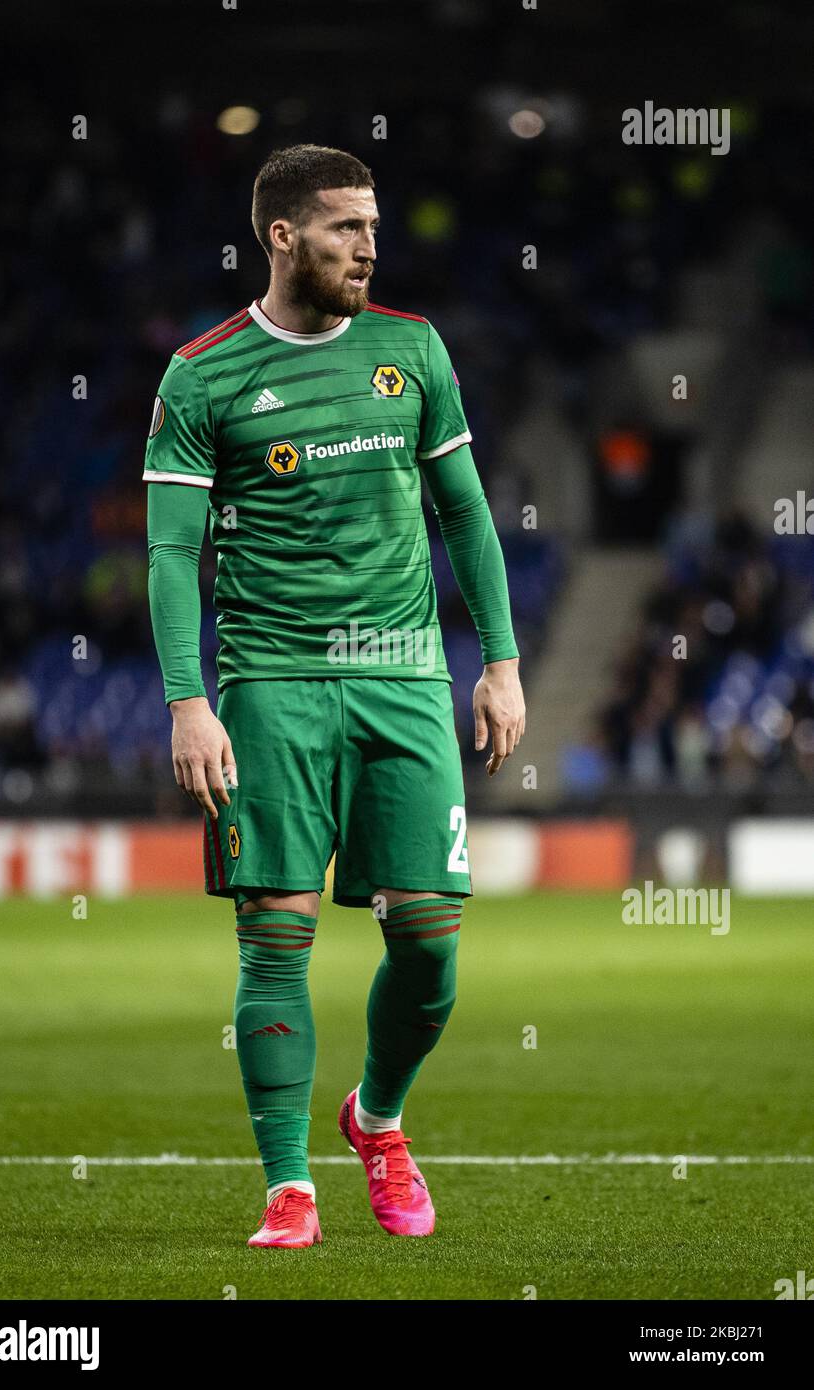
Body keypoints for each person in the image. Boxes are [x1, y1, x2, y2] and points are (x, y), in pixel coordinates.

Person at [145, 143, 525, 1248]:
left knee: (429, 940)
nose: (369, 245)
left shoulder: (412, 350)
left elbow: (464, 511)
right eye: (344, 228)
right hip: (270, 686)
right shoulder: (202, 374)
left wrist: (497, 663)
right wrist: (187, 701)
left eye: (371, 225)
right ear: (281, 236)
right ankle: (287, 1185)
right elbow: (172, 556)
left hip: (406, 677)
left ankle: (379, 1118)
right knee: (275, 934)